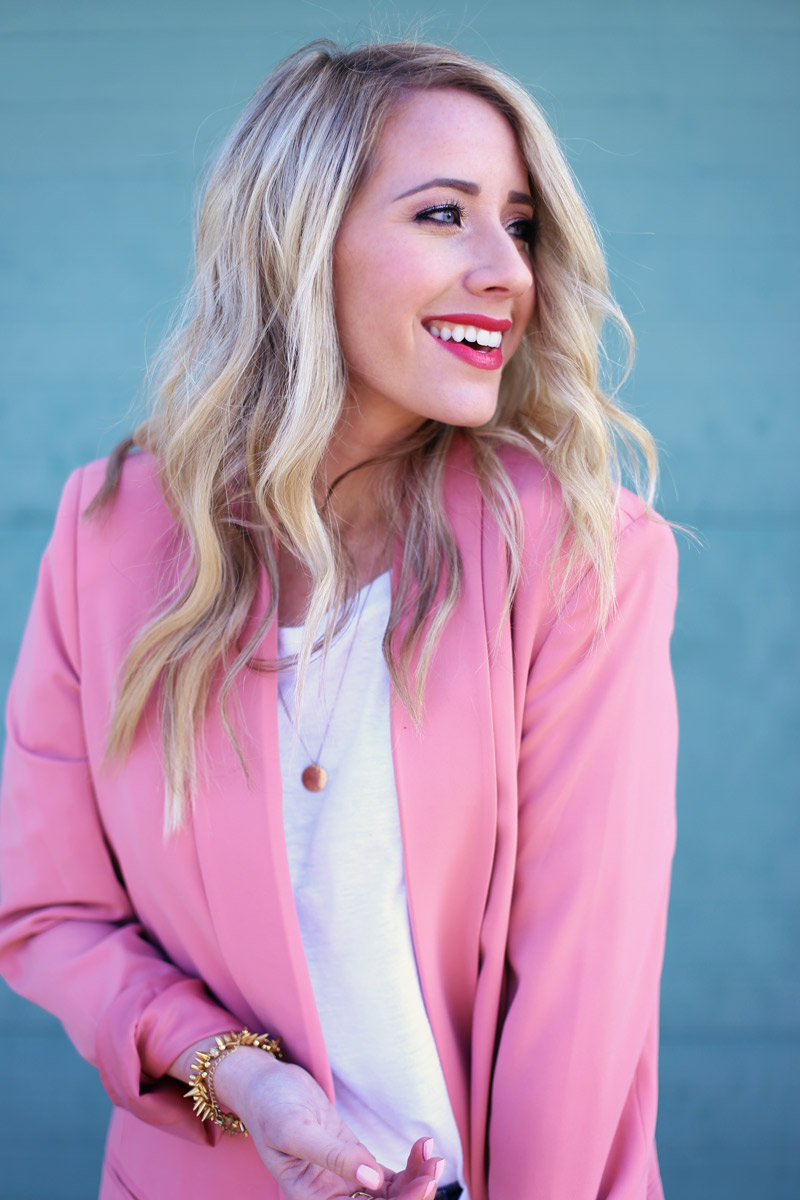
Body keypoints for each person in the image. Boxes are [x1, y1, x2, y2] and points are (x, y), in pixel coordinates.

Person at [0, 38, 679, 1200]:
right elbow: (48, 910)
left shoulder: (576, 550)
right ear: (298, 241)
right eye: (442, 215)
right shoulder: (111, 535)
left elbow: (582, 989)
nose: (505, 271)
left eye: (517, 225)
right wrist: (232, 1073)